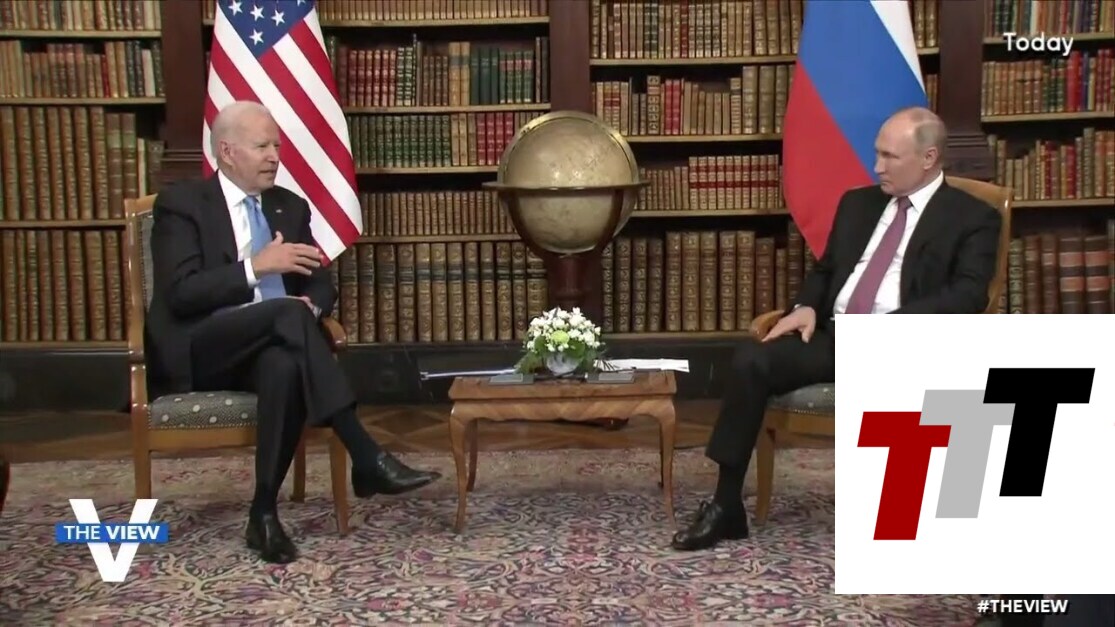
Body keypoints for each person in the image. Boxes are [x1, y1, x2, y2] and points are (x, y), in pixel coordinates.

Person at [670, 107, 1003, 551]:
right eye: (876, 154)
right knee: (752, 358)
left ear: (928, 158)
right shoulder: (858, 204)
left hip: (903, 346)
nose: (877, 166)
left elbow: (968, 296)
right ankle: (726, 504)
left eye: (890, 157)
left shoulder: (973, 217)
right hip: (836, 336)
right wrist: (806, 305)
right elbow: (826, 270)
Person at [146, 101, 441, 564]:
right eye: (262, 146)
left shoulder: (289, 207)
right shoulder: (182, 204)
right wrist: (256, 267)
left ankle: (263, 513)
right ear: (227, 152)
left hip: (268, 346)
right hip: (201, 347)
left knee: (284, 363)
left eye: (277, 146)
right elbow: (181, 293)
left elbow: (320, 282)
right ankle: (365, 454)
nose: (274, 156)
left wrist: (312, 306)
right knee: (286, 315)